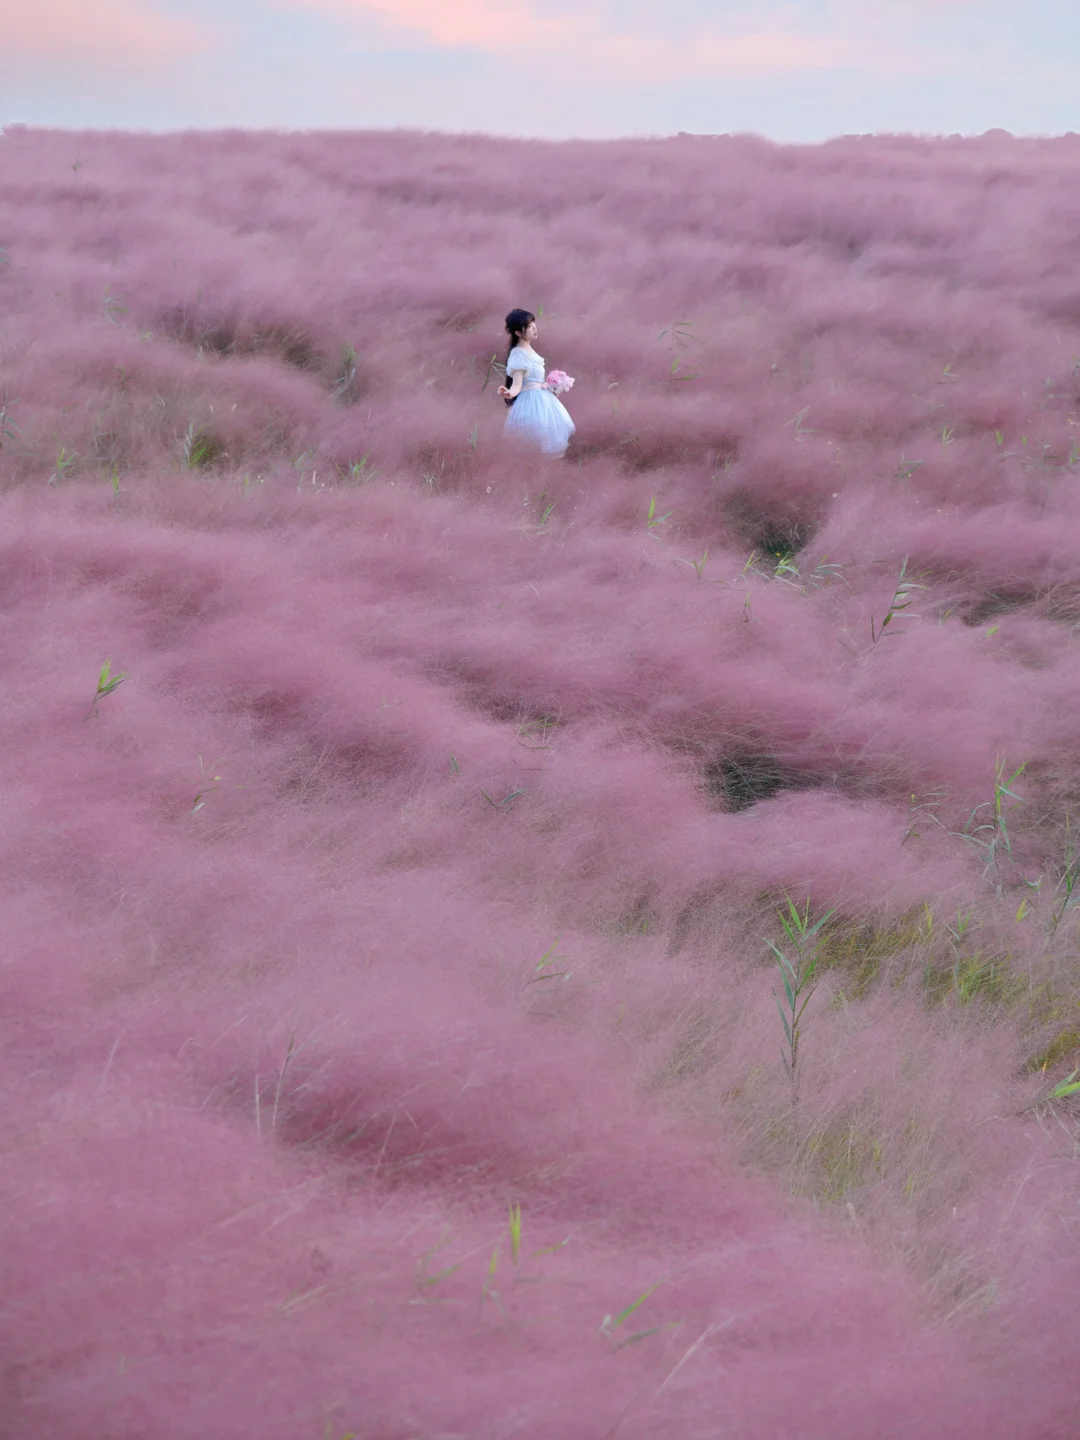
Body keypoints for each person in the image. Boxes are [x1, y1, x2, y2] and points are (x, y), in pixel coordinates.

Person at [497, 308, 575, 457]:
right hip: (530, 403)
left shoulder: (529, 350)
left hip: (543, 399)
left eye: (534, 324)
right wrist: (509, 393)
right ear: (518, 333)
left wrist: (554, 385)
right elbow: (517, 384)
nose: (534, 328)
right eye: (529, 326)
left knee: (546, 439)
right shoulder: (518, 354)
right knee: (535, 442)